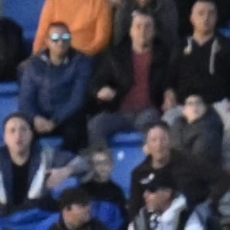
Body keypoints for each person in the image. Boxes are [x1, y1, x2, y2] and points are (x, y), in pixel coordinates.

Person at [166, 0, 230, 193]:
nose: (206, 18)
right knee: (166, 123)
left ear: (216, 17)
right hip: (185, 106)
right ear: (191, 18)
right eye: (201, 13)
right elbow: (169, 80)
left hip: (217, 104)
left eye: (211, 13)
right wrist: (169, 95)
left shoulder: (227, 46)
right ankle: (172, 179)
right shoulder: (180, 46)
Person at [88, 10, 174, 147]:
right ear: (130, 31)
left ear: (154, 32)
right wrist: (100, 90)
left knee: (151, 128)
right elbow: (95, 83)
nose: (143, 31)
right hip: (119, 112)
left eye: (148, 26)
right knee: (95, 125)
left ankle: (148, 160)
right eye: (138, 26)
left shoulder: (164, 56)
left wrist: (169, 93)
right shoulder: (115, 55)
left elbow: (171, 81)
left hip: (149, 110)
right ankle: (102, 160)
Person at [19, 21, 94, 152]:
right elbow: (26, 99)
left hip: (67, 116)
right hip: (40, 116)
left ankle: (67, 164)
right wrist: (35, 117)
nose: (60, 42)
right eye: (55, 38)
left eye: (65, 37)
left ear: (70, 40)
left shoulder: (81, 61)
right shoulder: (34, 64)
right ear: (47, 41)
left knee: (76, 127)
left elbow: (77, 99)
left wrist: (55, 121)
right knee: (22, 130)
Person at [127, 120, 230, 210]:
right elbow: (134, 209)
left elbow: (223, 179)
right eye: (154, 140)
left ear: (170, 141)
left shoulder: (189, 161)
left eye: (163, 139)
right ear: (146, 146)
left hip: (193, 215)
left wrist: (209, 202)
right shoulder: (139, 174)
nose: (159, 145)